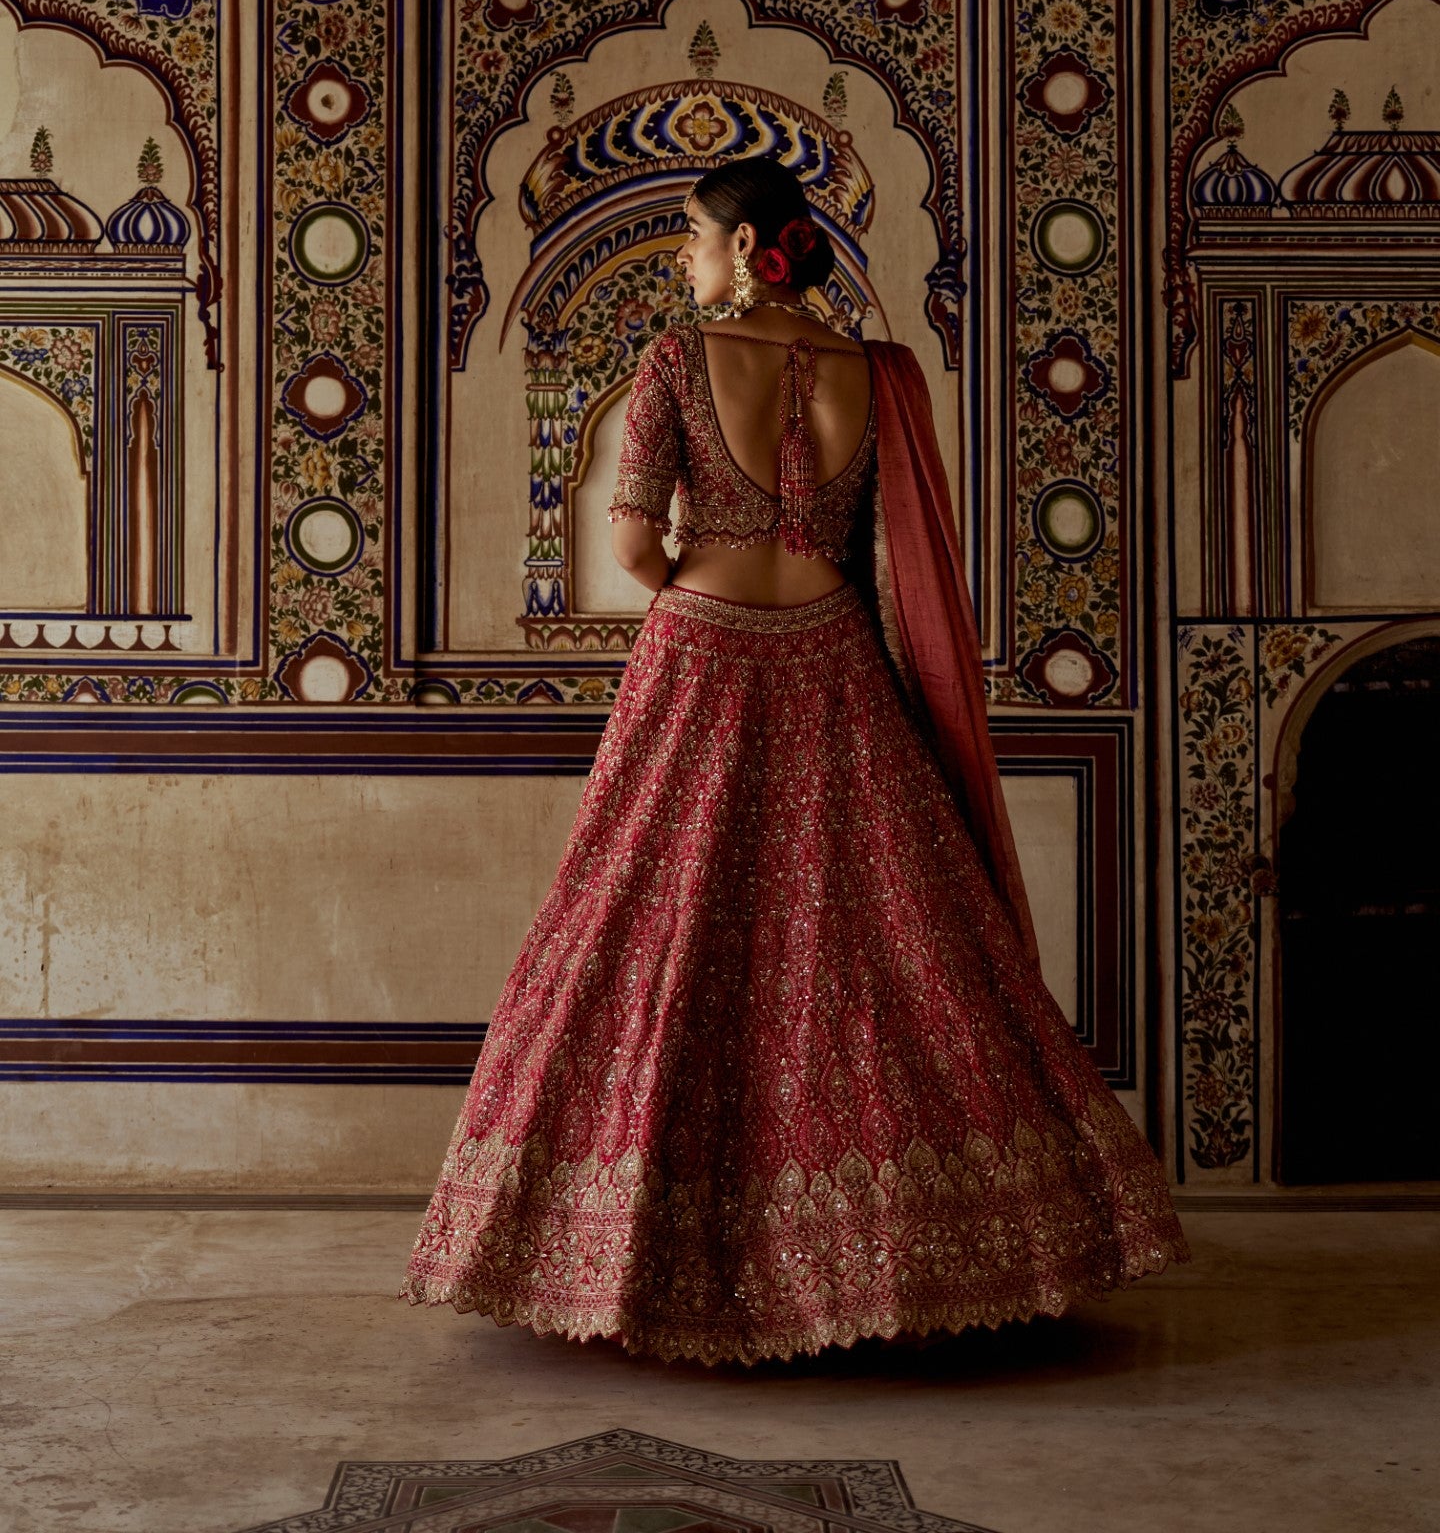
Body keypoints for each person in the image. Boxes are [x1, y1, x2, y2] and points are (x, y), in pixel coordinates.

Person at [400, 155, 1189, 1363]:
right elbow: (886, 551)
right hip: (835, 656)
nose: (685, 256)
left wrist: (704, 572)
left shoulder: (676, 359)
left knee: (645, 925)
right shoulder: (879, 373)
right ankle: (913, 1252)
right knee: (877, 941)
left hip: (702, 655)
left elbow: (631, 550)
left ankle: (625, 1249)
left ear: (748, 244)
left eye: (694, 235)